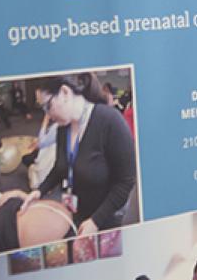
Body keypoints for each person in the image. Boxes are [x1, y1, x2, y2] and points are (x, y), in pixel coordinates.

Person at [27, 72, 136, 236]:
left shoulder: (110, 121)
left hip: (106, 218)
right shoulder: (63, 127)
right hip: (77, 211)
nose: (47, 115)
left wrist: (96, 221)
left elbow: (125, 182)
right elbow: (60, 168)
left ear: (65, 93)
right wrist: (39, 191)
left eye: (47, 106)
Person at [0, 189, 75, 260]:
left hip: (73, 221)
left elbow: (35, 205)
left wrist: (19, 194)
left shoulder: (0, 207)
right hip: (60, 251)